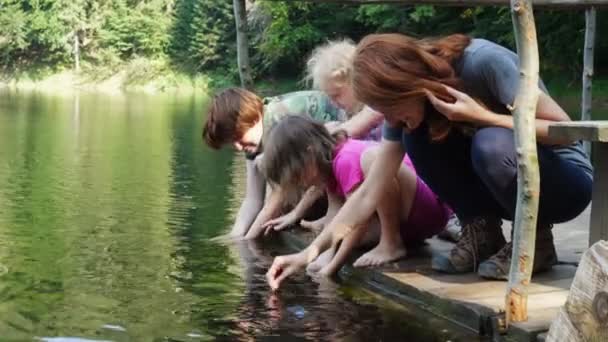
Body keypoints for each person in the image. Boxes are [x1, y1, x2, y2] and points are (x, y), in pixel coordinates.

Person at [267, 33, 592, 289]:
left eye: (390, 110)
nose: (389, 120)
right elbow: (369, 193)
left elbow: (567, 133)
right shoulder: (406, 108)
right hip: (504, 187)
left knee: (489, 142)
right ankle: (482, 232)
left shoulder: (483, 64)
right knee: (415, 138)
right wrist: (309, 252)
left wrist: (483, 116)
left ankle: (536, 243)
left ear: (403, 85)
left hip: (564, 184)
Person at [262, 115, 450, 278]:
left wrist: (332, 268)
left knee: (371, 161)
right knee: (340, 235)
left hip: (427, 211)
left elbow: (359, 221)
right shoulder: (325, 167)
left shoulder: (345, 159)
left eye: (297, 176)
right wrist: (326, 253)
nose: (300, 184)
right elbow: (337, 213)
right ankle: (389, 240)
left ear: (310, 153)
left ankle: (391, 243)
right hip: (409, 221)